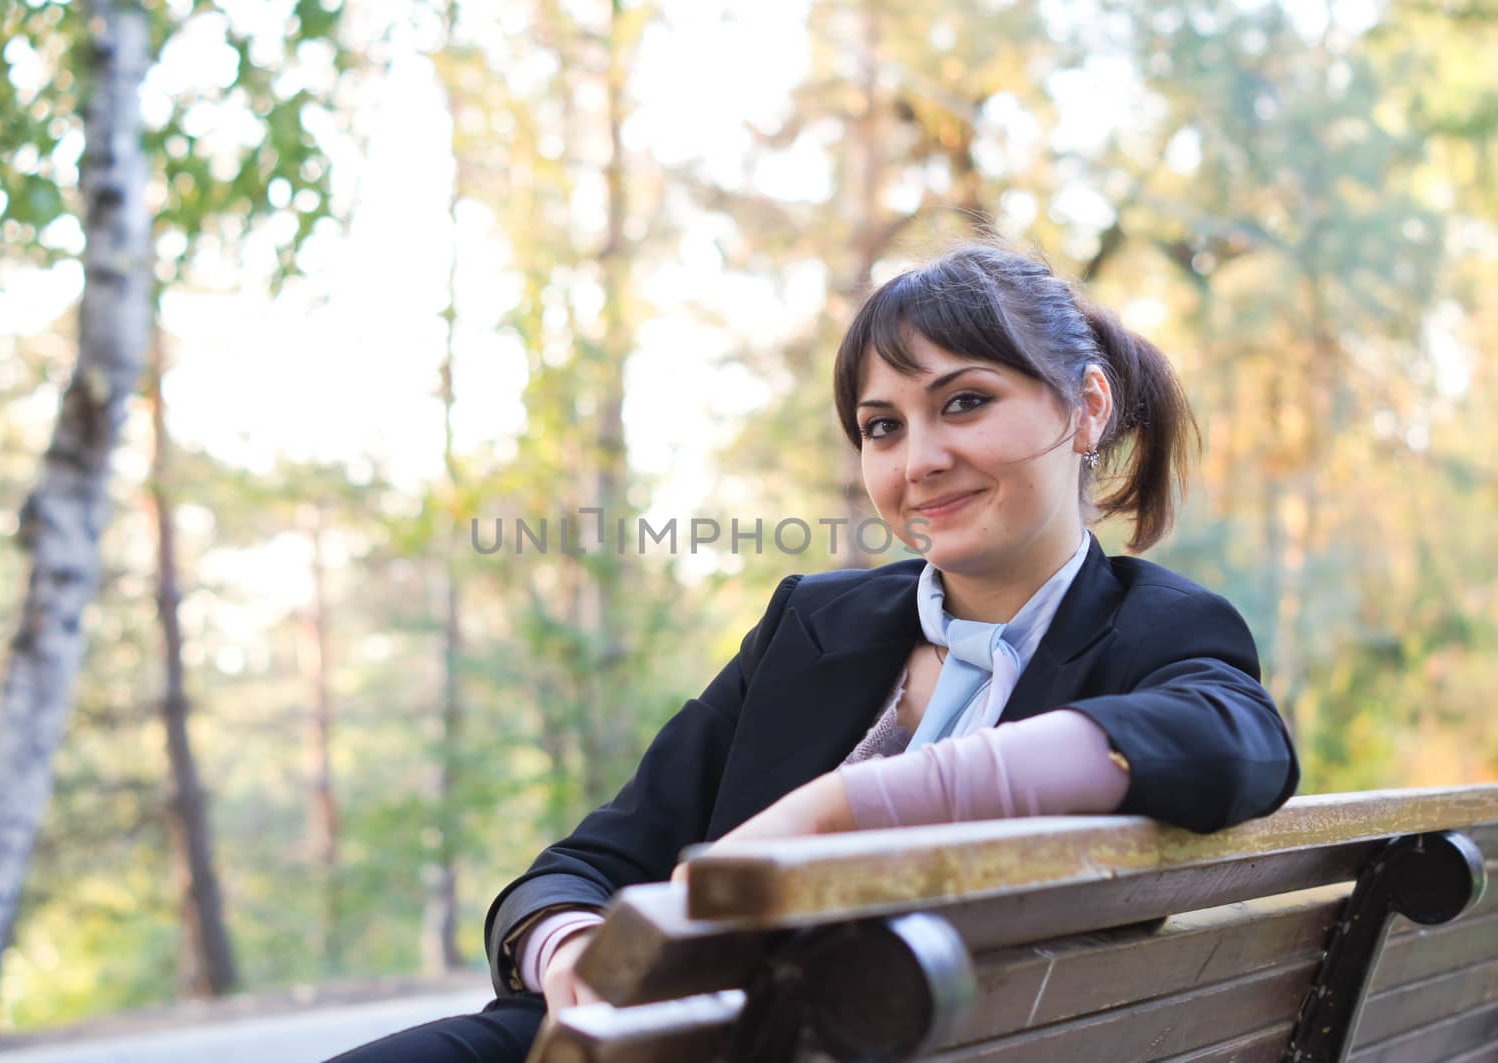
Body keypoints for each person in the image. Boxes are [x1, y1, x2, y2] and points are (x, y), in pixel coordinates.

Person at [327, 243, 1300, 1062]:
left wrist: (837, 807)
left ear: (1086, 408)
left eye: (964, 402)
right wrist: (572, 948)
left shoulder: (1159, 628)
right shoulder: (812, 623)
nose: (917, 460)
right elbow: (587, 860)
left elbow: (1232, 744)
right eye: (883, 427)